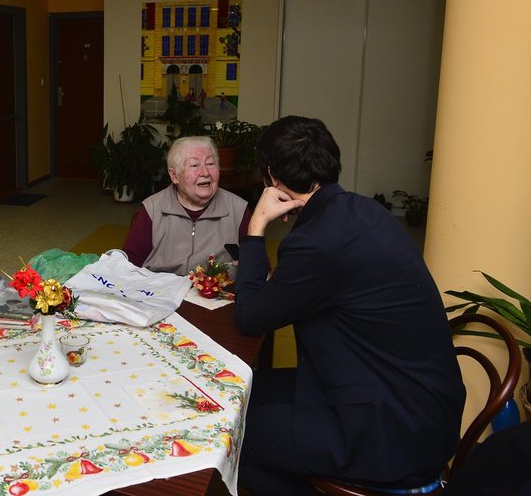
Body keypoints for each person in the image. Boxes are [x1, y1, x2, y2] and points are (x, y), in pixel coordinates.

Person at [234, 116, 465, 495]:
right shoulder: (364, 211)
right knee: (242, 392)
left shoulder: (315, 241)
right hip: (417, 403)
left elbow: (250, 316)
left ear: (272, 179)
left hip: (389, 431)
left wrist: (257, 224)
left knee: (233, 434)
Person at [122, 135, 249, 275]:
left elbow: (261, 269)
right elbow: (128, 266)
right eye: (194, 165)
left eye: (210, 164)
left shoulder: (238, 210)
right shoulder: (152, 209)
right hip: (162, 292)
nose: (205, 173)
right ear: (174, 175)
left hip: (216, 294)